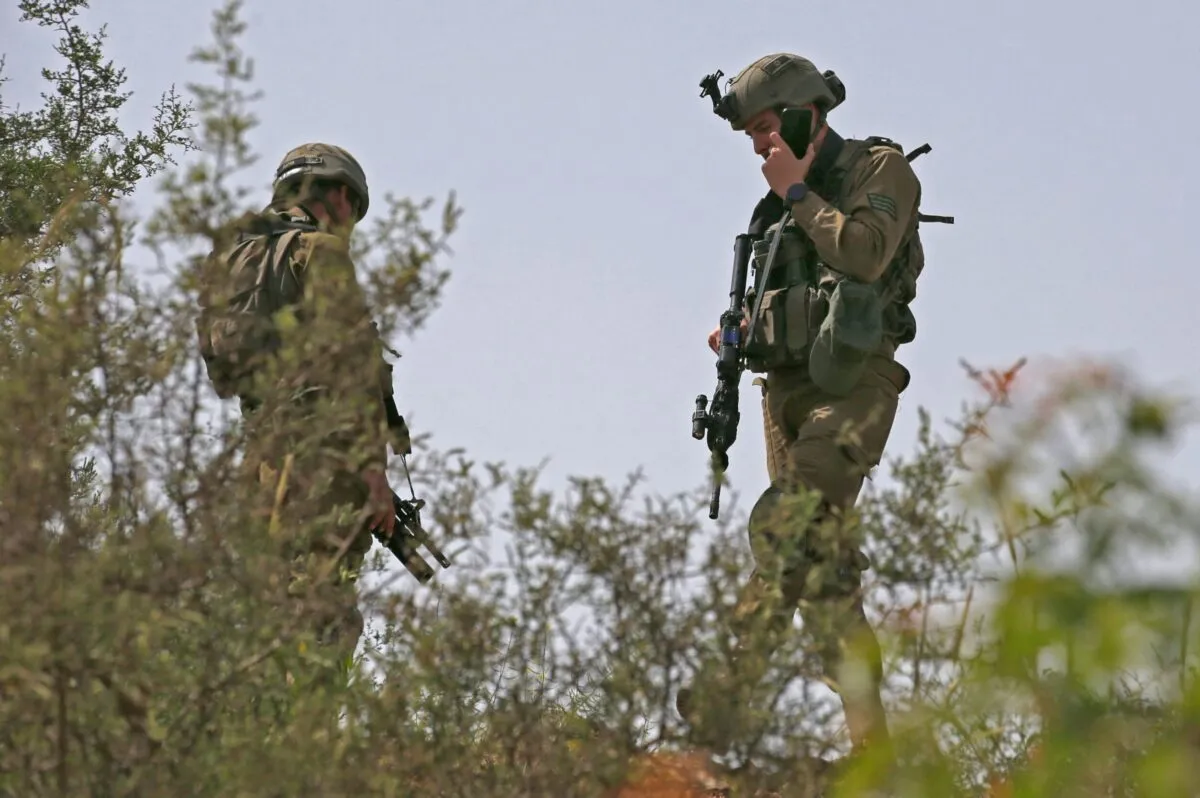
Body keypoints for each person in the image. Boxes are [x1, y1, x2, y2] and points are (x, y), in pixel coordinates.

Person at [680, 52, 943, 766]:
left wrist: (798, 192)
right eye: (754, 139)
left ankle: (726, 696)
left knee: (786, 521)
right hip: (784, 396)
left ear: (804, 113)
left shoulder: (877, 173)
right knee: (823, 573)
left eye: (766, 129)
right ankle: (875, 749)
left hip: (854, 388)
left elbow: (861, 256)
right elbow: (784, 296)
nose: (761, 148)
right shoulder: (774, 209)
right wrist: (736, 329)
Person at [195, 142, 411, 683]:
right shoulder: (320, 253)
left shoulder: (229, 262)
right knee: (322, 609)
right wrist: (372, 474)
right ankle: (306, 743)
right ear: (340, 195)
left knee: (265, 604)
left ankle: (251, 730)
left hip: (262, 463)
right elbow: (353, 368)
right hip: (324, 464)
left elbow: (222, 375)